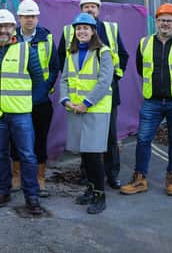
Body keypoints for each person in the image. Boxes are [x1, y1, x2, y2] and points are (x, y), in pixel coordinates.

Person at [121, 3, 172, 196]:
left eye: (170, 20)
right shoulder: (144, 43)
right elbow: (141, 69)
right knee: (143, 138)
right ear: (156, 22)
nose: (165, 23)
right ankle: (140, 179)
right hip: (153, 101)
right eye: (162, 20)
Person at [0, 9, 43, 215]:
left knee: (28, 155)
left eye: (7, 26)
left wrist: (26, 102)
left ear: (14, 28)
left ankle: (32, 196)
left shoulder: (26, 49)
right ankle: (3, 191)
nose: (3, 30)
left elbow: (38, 80)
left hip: (20, 113)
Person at [58, 0, 129, 189]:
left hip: (106, 94)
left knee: (110, 136)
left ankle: (111, 174)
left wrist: (112, 79)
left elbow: (122, 55)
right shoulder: (69, 31)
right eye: (86, 6)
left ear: (99, 9)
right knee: (85, 138)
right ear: (80, 9)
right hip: (78, 98)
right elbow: (61, 60)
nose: (90, 9)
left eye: (93, 6)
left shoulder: (111, 30)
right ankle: (87, 176)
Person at [59, 13, 114, 214]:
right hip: (75, 109)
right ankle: (91, 189)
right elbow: (64, 79)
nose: (81, 31)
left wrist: (86, 102)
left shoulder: (103, 52)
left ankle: (100, 195)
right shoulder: (71, 52)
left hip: (95, 110)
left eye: (86, 28)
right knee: (85, 153)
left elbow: (104, 81)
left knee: (93, 154)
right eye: (78, 28)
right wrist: (65, 100)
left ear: (93, 31)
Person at [14, 0, 59, 197]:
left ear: (37, 18)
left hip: (40, 100)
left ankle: (40, 178)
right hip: (16, 97)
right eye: (26, 16)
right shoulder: (12, 37)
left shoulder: (46, 37)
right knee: (15, 139)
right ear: (19, 18)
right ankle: (17, 176)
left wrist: (44, 89)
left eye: (32, 16)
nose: (29, 19)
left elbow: (55, 66)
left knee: (39, 139)